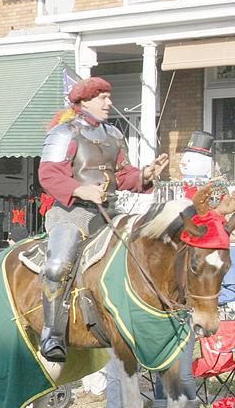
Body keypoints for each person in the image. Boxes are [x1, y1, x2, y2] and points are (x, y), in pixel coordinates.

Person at [37, 77, 169, 362]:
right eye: (102, 98)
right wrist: (78, 189)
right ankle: (52, 333)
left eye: (109, 97)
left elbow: (123, 175)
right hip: (72, 212)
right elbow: (48, 174)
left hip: (109, 212)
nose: (109, 103)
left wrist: (146, 175)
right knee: (59, 264)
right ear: (84, 100)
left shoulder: (113, 134)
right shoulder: (64, 133)